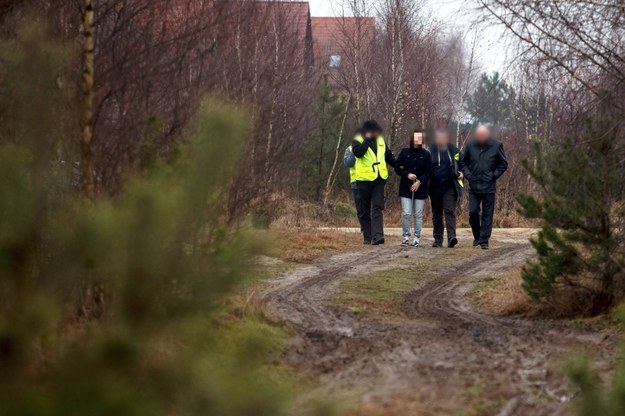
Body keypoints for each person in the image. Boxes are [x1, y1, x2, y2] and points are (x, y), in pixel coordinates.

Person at [461, 125, 508, 249]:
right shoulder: (470, 145)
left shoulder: (497, 145)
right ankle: (477, 236)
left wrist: (493, 175)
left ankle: (484, 240)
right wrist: (468, 175)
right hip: (474, 185)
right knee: (473, 212)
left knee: (487, 214)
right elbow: (463, 162)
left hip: (489, 186)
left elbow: (503, 163)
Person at [352, 120, 396, 245]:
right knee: (364, 209)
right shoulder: (358, 140)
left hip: (379, 179)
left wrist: (400, 166)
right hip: (363, 180)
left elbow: (389, 157)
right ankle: (367, 236)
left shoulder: (381, 141)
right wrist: (367, 140)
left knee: (377, 207)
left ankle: (378, 236)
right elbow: (358, 153)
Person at [395, 130, 431, 247]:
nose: (417, 141)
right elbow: (397, 168)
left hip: (421, 188)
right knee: (406, 213)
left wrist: (420, 181)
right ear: (412, 139)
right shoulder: (404, 152)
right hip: (406, 187)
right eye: (415, 138)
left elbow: (429, 171)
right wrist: (407, 174)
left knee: (418, 214)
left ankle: (416, 237)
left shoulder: (426, 154)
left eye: (419, 138)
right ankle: (406, 236)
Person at [428, 130, 463, 248]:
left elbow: (463, 164)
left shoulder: (453, 150)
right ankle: (438, 239)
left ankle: (451, 237)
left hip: (450, 186)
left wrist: (462, 173)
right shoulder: (430, 150)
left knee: (449, 211)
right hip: (434, 187)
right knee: (437, 214)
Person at [343, 128, 365, 235]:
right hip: (355, 181)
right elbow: (348, 163)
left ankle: (372, 228)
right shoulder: (350, 149)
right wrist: (355, 152)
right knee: (359, 207)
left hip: (367, 180)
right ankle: (364, 228)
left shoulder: (368, 148)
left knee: (369, 206)